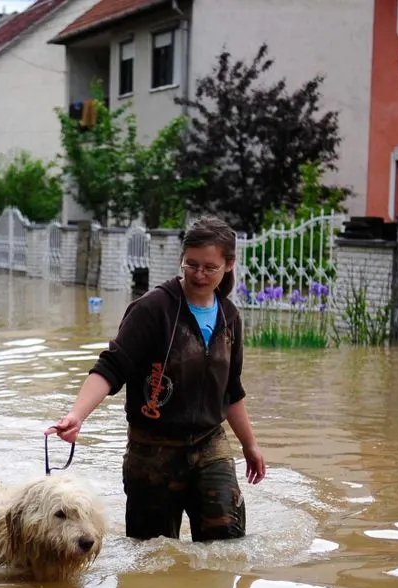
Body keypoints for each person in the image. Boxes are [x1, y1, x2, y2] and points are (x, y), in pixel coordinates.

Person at [46, 215, 266, 543]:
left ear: (229, 265)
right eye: (191, 265)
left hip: (210, 444)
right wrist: (76, 415)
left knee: (226, 546)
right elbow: (111, 367)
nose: (199, 275)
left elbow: (231, 390)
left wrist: (250, 445)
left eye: (210, 267)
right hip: (153, 452)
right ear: (182, 259)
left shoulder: (229, 317)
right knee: (151, 555)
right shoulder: (153, 310)